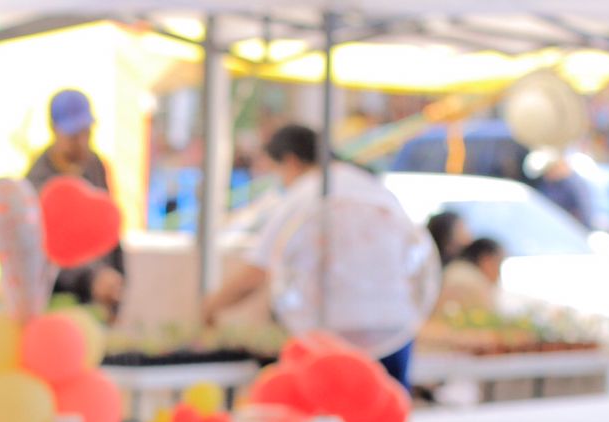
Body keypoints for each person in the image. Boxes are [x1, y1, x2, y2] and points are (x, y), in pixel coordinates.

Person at [201, 124, 418, 387]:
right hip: (394, 327)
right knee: (385, 416)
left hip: (337, 331)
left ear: (291, 161)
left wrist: (211, 307)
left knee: (333, 418)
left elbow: (256, 272)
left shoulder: (304, 195)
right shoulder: (375, 189)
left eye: (275, 170)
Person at [27, 88, 127, 319]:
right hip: (57, 304)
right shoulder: (38, 182)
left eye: (87, 133)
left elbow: (109, 232)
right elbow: (47, 251)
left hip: (96, 303)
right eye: (73, 135)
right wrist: (91, 279)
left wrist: (116, 284)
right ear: (54, 129)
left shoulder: (95, 166)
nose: (82, 142)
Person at [436, 236, 504, 315]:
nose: (499, 273)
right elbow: (493, 317)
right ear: (487, 260)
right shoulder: (475, 282)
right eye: (499, 263)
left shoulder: (455, 269)